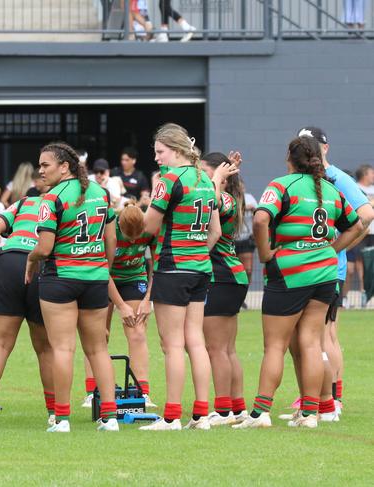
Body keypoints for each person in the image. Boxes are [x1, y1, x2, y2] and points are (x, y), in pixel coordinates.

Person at [234, 136, 362, 430]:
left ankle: (260, 413)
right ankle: (310, 413)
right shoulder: (331, 189)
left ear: (288, 157)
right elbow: (357, 224)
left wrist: (266, 253)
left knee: (275, 346)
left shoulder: (282, 185)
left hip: (290, 272)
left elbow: (259, 220)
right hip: (326, 274)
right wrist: (332, 250)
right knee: (311, 344)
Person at [25, 142, 119, 432]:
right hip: (95, 278)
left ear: (64, 166)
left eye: (45, 165)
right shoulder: (100, 193)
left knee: (63, 349)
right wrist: (102, 267)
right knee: (98, 350)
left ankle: (62, 419)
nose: (40, 170)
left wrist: (30, 261)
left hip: (61, 278)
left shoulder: (51, 197)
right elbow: (111, 241)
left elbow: (44, 247)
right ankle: (111, 418)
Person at [282, 127, 374, 422]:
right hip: (312, 267)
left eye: (314, 144)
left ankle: (331, 400)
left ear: (325, 147)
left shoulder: (336, 177)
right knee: (316, 335)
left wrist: (336, 248)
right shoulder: (308, 177)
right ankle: (322, 399)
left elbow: (366, 214)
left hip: (325, 268)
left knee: (323, 336)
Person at [140, 123, 223, 431]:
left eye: (160, 152)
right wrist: (197, 253)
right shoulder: (205, 178)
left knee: (172, 345)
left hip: (173, 268)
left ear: (175, 150)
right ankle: (201, 414)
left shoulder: (169, 180)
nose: (158, 158)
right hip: (200, 268)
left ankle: (172, 416)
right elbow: (215, 230)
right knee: (196, 342)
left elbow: (149, 227)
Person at [0, 183, 54, 428]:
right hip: (39, 265)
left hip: (8, 262)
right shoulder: (62, 202)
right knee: (46, 348)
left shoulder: (25, 203)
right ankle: (53, 412)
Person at [82, 203, 156, 409]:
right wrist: (121, 305)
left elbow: (157, 264)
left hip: (134, 278)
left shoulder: (151, 228)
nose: (133, 241)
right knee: (98, 334)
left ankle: (142, 392)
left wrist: (147, 298)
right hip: (105, 278)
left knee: (137, 332)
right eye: (127, 236)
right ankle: (92, 392)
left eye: (137, 236)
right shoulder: (109, 229)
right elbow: (104, 269)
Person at [201, 152, 249, 426]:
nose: (202, 178)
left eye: (205, 172)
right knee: (227, 349)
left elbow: (213, 201)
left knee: (216, 349)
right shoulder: (226, 197)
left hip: (222, 276)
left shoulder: (223, 198)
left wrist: (218, 179)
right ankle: (236, 408)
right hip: (231, 276)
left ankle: (222, 411)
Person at [354, 164, 374, 306]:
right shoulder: (354, 188)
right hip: (361, 230)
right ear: (365, 174)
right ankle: (362, 291)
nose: (373, 175)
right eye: (371, 173)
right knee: (360, 260)